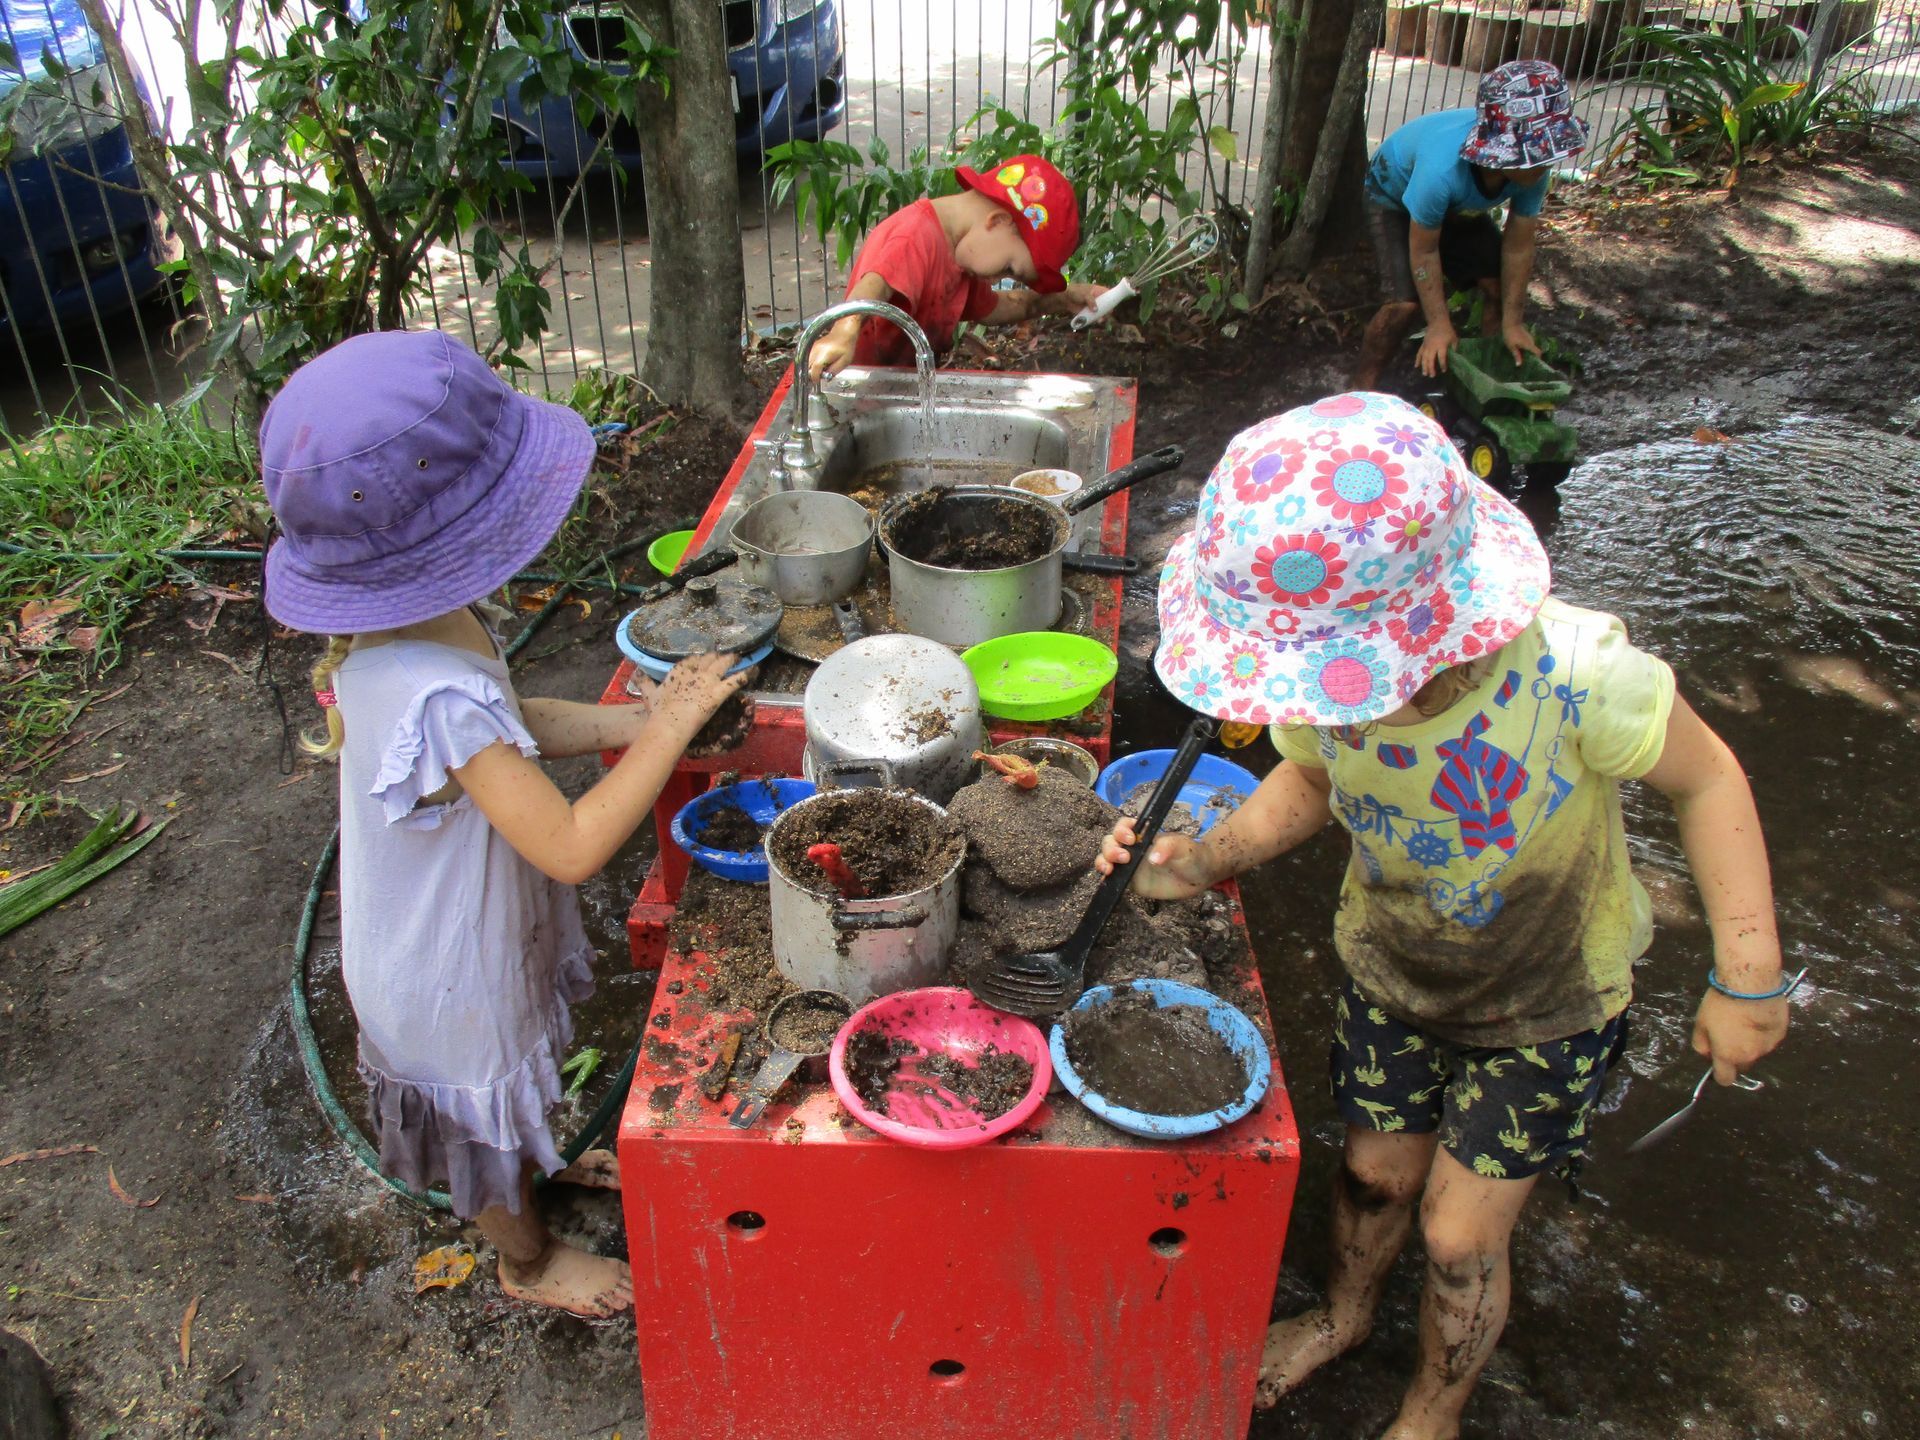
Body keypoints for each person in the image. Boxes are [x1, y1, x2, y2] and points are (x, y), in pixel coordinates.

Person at [1097, 392, 1791, 1439]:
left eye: (1330, 680)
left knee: (1460, 1233)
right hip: (1393, 974)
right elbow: (1311, 783)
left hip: (1547, 1002)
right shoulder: (1329, 690)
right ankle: (1343, 1314)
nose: (1316, 702)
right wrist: (1197, 862)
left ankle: (1433, 1412)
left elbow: (1709, 781)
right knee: (1375, 1175)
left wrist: (1747, 972)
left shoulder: (1578, 677)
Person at [262, 329, 752, 1318]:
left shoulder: (405, 632)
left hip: (448, 942)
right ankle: (524, 1262)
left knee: (507, 1107)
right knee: (477, 1141)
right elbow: (571, 847)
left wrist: (640, 720)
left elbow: (511, 722)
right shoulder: (433, 688)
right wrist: (673, 732)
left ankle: (540, 1172)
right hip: (442, 983)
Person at [1351, 61, 1588, 390]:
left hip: (1456, 209)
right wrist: (1438, 323)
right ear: (1501, 155)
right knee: (1403, 305)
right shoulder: (1442, 173)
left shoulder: (1532, 171)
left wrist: (1513, 322)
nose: (1545, 162)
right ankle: (1361, 389)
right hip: (1392, 196)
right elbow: (1425, 249)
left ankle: (1487, 382)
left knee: (1497, 287)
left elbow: (1518, 245)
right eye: (1534, 154)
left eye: (1547, 154)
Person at [804, 154, 1108, 378]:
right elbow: (876, 282)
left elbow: (999, 309)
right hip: (855, 382)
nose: (997, 279)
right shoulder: (916, 235)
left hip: (901, 388)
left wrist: (1067, 297)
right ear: (998, 222)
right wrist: (844, 329)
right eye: (1009, 269)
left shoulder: (963, 259)